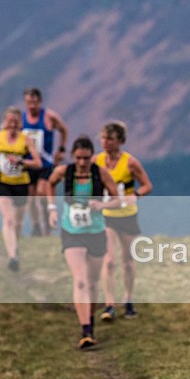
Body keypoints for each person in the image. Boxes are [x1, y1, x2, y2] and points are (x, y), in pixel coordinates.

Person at [47, 135, 119, 349]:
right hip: (72, 232)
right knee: (80, 280)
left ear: (91, 157)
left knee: (93, 281)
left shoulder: (101, 174)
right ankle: (86, 330)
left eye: (86, 158)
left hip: (96, 232)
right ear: (73, 156)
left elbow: (117, 199)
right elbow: (49, 185)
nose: (81, 162)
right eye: (78, 158)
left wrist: (103, 206)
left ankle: (90, 320)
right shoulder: (64, 172)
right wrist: (51, 209)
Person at [94, 121, 153, 321]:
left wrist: (135, 195)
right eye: (102, 138)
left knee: (127, 261)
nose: (105, 142)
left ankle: (128, 299)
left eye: (109, 139)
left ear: (119, 141)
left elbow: (147, 185)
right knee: (109, 260)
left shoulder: (130, 163)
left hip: (127, 216)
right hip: (106, 216)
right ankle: (109, 304)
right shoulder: (97, 161)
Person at [0, 106, 43, 271]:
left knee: (18, 222)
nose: (12, 125)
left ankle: (14, 247)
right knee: (9, 219)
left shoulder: (26, 140)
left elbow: (38, 163)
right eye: (9, 121)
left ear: (20, 124)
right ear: (5, 122)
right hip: (2, 182)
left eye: (16, 122)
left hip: (21, 184)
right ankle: (12, 257)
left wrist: (21, 162)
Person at [22, 87, 69, 236]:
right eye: (29, 103)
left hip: (45, 163)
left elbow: (63, 130)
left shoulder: (49, 116)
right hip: (28, 163)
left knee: (41, 194)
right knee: (30, 197)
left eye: (35, 103)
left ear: (40, 101)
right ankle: (36, 227)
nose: (32, 106)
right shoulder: (22, 118)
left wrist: (61, 149)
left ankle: (47, 225)